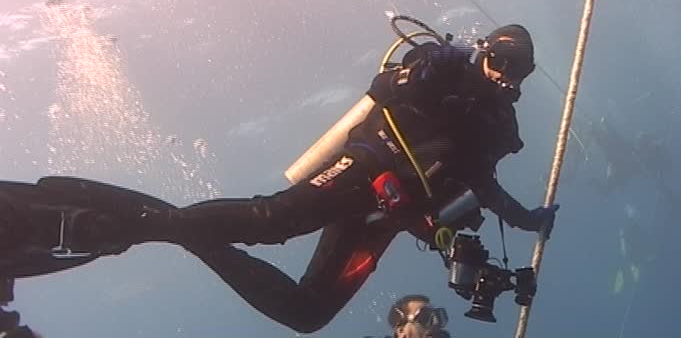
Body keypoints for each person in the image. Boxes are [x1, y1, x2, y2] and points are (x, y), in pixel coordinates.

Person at [0, 19, 559, 333]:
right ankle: (137, 221)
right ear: (485, 52)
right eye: (503, 63)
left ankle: (180, 232)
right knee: (271, 222)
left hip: (395, 216)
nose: (510, 79)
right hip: (368, 168)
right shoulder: (443, 67)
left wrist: (528, 220)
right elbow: (383, 94)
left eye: (521, 71)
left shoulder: (495, 123)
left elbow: (484, 183)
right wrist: (425, 69)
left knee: (307, 315)